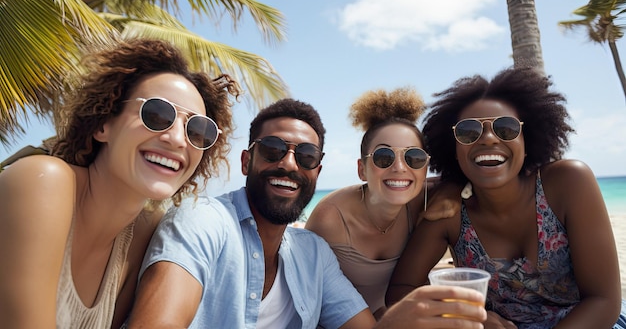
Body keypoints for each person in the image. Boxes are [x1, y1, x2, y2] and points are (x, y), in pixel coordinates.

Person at [126, 98, 487, 329]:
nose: (288, 164)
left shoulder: (313, 255)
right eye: (272, 150)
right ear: (246, 160)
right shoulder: (203, 221)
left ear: (317, 170)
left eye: (306, 157)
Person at [0, 38, 238, 328]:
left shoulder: (143, 232)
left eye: (197, 130)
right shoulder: (42, 181)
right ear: (104, 123)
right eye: (157, 114)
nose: (177, 139)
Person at [387, 66, 626, 329]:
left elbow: (604, 301)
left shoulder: (567, 182)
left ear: (527, 140)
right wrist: (462, 314)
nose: (489, 138)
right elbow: (400, 290)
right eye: (469, 131)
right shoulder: (449, 211)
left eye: (506, 128)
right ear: (453, 147)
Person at [305, 87, 430, 319]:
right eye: (384, 157)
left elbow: (468, 180)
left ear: (425, 168)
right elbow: (307, 296)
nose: (400, 168)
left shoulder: (423, 200)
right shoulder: (331, 218)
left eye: (414, 157)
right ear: (361, 169)